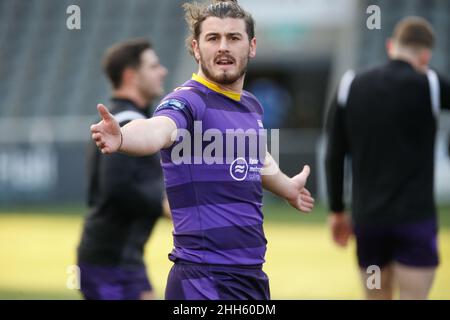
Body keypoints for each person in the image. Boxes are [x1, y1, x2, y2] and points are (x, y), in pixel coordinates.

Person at [90, 0, 314, 300]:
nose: (223, 46)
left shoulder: (250, 105)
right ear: (196, 48)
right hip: (203, 280)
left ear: (252, 46)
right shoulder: (188, 101)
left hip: (251, 277)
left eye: (233, 37)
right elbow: (159, 128)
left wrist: (287, 186)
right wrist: (124, 138)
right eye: (213, 38)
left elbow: (255, 154)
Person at [325, 17, 450, 300]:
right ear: (425, 56)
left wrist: (336, 211)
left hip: (369, 223)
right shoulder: (430, 83)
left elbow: (334, 153)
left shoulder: (350, 85)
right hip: (416, 222)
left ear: (391, 46)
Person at [77, 38, 168, 300]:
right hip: (111, 262)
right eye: (153, 66)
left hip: (120, 259)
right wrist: (163, 205)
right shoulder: (126, 124)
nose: (162, 71)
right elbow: (117, 187)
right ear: (131, 75)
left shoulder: (120, 121)